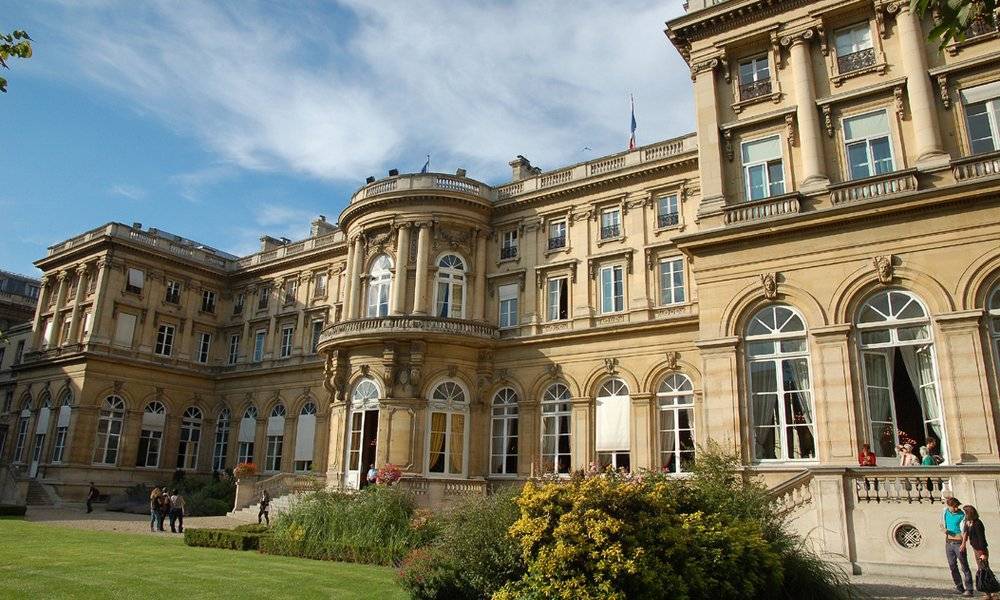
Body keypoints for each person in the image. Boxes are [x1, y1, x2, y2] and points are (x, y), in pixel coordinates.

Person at [962, 504, 1000, 600]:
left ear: (969, 513)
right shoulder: (969, 522)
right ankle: (988, 592)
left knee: (984, 571)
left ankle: (991, 592)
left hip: (980, 549)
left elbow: (981, 539)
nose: (964, 515)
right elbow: (966, 533)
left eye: (965, 513)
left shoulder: (977, 523)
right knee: (982, 570)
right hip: (976, 548)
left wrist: (983, 553)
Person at [945, 496, 975, 596]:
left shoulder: (962, 515)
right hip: (948, 542)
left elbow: (965, 531)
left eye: (957, 506)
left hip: (958, 543)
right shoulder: (945, 512)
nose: (956, 508)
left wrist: (963, 544)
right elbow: (943, 523)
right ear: (949, 506)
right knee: (952, 565)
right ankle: (959, 586)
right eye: (954, 506)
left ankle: (969, 589)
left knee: (964, 566)